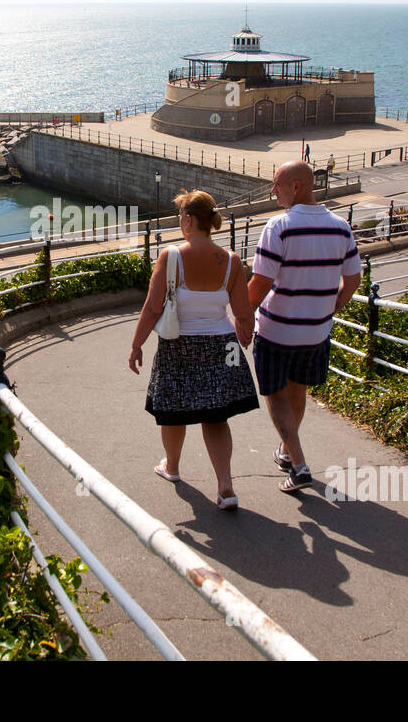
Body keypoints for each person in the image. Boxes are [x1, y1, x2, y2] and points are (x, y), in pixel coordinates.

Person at [129, 190, 258, 510]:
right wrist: (246, 333)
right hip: (223, 346)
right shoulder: (231, 261)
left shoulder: (170, 257)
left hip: (179, 346)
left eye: (180, 217)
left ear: (188, 219)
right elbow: (243, 313)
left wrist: (137, 344)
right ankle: (226, 486)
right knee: (216, 416)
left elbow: (152, 308)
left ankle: (171, 467)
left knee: (173, 410)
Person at [248, 162, 362, 492]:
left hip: (276, 331)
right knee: (298, 391)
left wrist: (241, 320)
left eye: (277, 185)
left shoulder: (278, 226)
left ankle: (298, 465)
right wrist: (333, 307)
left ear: (297, 187)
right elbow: (353, 278)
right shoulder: (341, 227)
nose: (273, 191)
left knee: (274, 395)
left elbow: (260, 283)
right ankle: (287, 450)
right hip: (316, 332)